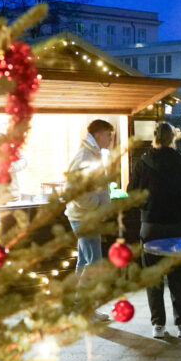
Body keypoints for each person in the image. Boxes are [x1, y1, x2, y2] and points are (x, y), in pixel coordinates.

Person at [129, 122, 181, 339]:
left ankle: (158, 325)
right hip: (176, 223)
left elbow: (131, 191)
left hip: (150, 223)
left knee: (153, 275)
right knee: (177, 276)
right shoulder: (178, 160)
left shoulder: (143, 161)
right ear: (172, 138)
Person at [65, 119, 115, 277]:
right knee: (94, 262)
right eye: (109, 135)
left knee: (84, 260)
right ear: (98, 135)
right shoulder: (86, 157)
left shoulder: (91, 154)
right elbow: (77, 192)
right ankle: (82, 300)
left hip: (85, 216)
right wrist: (98, 205)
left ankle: (76, 299)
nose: (111, 140)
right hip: (85, 217)